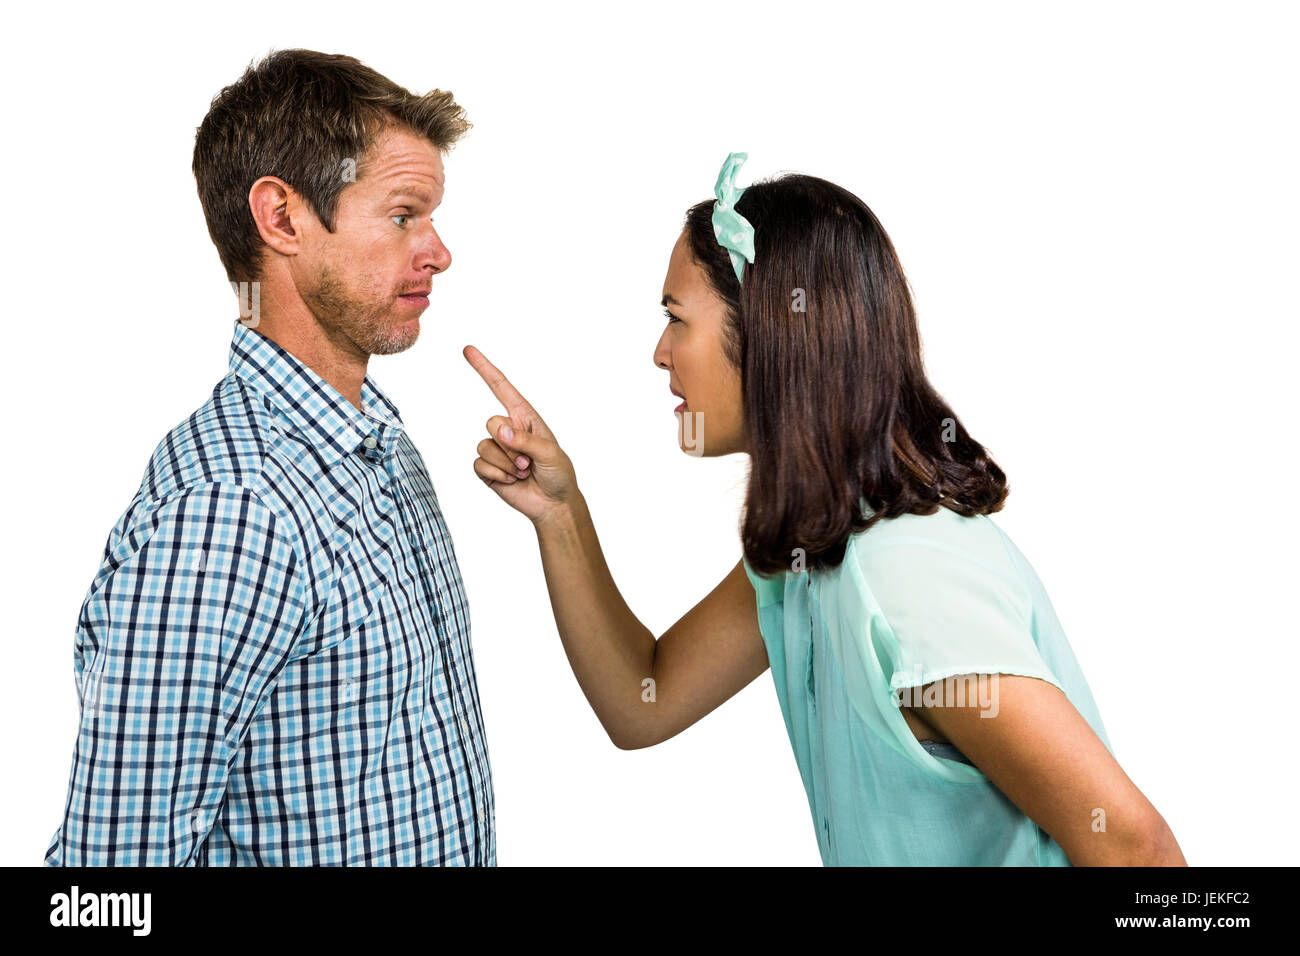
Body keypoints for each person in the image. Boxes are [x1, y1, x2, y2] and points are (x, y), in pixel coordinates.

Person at [465, 152, 1186, 866]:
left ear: (772, 334)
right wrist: (560, 515)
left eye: (675, 319)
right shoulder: (811, 550)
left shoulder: (907, 581)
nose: (659, 353)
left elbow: (1134, 848)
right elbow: (643, 701)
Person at [44, 49, 494, 866]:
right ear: (281, 218)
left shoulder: (380, 448)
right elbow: (109, 882)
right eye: (403, 215)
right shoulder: (231, 509)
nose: (438, 251)